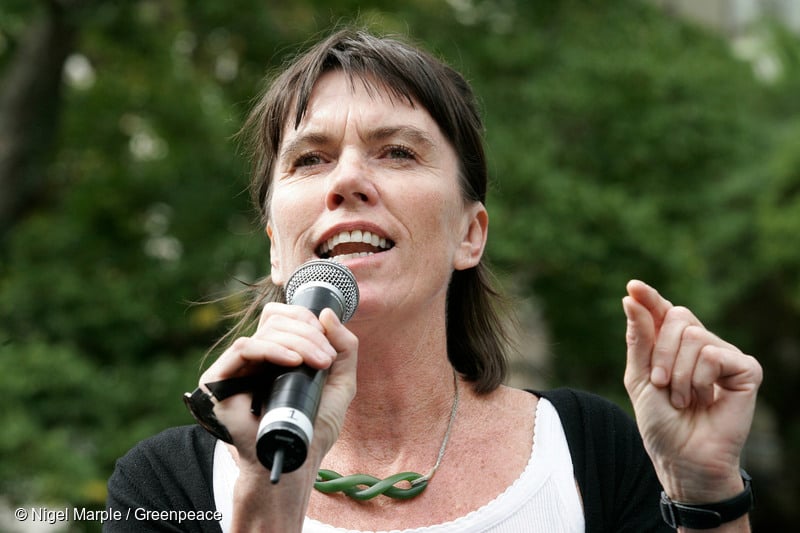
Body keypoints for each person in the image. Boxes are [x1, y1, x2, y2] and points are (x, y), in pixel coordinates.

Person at [104, 27, 763, 533]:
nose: (348, 181)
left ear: (470, 233)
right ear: (277, 246)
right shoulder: (166, 486)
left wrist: (706, 492)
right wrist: (266, 497)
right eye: (311, 158)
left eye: (397, 151)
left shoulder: (589, 450)